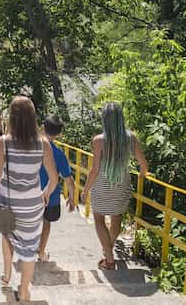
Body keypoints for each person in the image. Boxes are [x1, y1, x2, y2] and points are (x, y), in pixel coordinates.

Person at [0, 97, 58, 303]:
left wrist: (0, 188)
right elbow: (54, 178)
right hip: (33, 205)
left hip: (9, 203)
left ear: (12, 117)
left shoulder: (4, 142)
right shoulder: (43, 143)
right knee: (29, 249)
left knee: (8, 235)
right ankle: (24, 289)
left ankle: (7, 273)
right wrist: (45, 194)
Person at [79, 101, 149, 270]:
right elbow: (143, 163)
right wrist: (142, 173)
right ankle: (108, 252)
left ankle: (109, 260)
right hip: (121, 184)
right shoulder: (130, 138)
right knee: (116, 218)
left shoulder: (98, 140)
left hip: (102, 185)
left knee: (99, 219)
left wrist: (85, 190)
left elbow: (94, 170)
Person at [37, 115, 76, 262]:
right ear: (59, 134)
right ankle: (41, 252)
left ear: (43, 127)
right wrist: (71, 199)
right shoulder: (59, 154)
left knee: (30, 222)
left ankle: (27, 249)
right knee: (46, 223)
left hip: (29, 193)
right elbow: (69, 181)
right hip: (51, 196)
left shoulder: (30, 146)